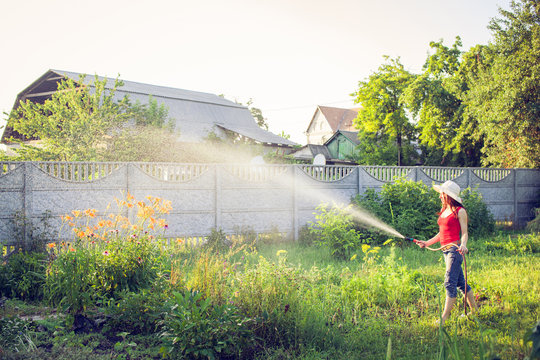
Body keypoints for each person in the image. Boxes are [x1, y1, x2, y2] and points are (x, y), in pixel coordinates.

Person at [416, 180, 478, 325]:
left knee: (449, 282)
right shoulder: (445, 210)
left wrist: (463, 245)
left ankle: (444, 318)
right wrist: (427, 243)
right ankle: (475, 311)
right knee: (461, 283)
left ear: (448, 195)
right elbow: (442, 233)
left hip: (454, 251)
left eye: (442, 194)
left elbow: (464, 233)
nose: (439, 197)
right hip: (445, 251)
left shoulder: (460, 211)